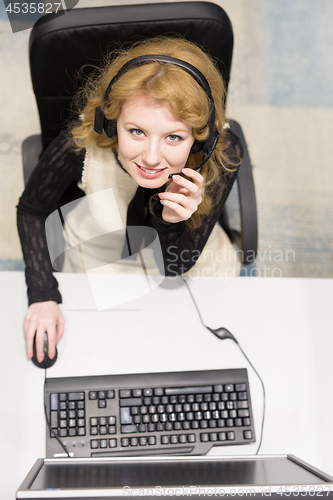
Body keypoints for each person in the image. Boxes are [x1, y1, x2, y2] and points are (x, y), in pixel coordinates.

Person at [17, 36, 242, 364]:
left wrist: (171, 222)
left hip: (189, 259)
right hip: (101, 256)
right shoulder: (81, 143)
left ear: (201, 139)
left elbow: (176, 267)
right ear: (111, 122)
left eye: (174, 137)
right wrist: (41, 294)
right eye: (136, 131)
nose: (151, 158)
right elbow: (32, 210)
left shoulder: (221, 153)